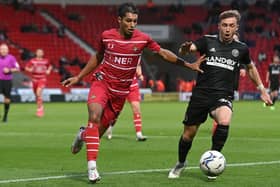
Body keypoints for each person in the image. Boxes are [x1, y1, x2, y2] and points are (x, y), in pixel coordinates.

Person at [61, 2, 205, 183]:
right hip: (102, 82)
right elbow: (98, 56)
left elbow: (162, 53)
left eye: (135, 21)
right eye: (128, 21)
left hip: (120, 92)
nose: (132, 24)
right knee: (94, 115)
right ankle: (92, 168)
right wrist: (79, 76)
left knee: (95, 134)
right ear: (119, 20)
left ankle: (82, 135)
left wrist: (188, 64)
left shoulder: (142, 38)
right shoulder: (106, 36)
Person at [168, 10, 272, 180]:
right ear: (219, 26)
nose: (227, 29)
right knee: (188, 134)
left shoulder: (241, 49)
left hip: (223, 96)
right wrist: (185, 49)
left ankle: (213, 162)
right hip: (201, 95)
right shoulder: (207, 41)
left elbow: (251, 68)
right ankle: (181, 162)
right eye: (224, 25)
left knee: (224, 119)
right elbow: (190, 48)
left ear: (236, 27)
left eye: (231, 25)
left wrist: (262, 90)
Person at [106, 64, 147, 141]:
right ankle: (109, 127)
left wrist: (140, 74)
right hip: (120, 87)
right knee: (116, 111)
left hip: (133, 87)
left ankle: (139, 134)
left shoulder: (136, 53)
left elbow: (138, 65)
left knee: (136, 109)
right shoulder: (120, 55)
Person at [25, 49, 52, 117]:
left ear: (42, 53)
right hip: (34, 80)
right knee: (37, 95)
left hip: (42, 79)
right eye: (38, 52)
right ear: (36, 53)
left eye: (41, 52)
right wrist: (30, 69)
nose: (40, 53)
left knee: (38, 93)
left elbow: (50, 66)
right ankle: (40, 106)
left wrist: (48, 70)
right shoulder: (32, 61)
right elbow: (26, 68)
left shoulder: (45, 61)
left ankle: (39, 110)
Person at [0, 43, 20, 122]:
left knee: (7, 99)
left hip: (7, 81)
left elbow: (17, 68)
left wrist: (9, 70)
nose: (3, 50)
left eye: (5, 49)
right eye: (2, 49)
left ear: (8, 50)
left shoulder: (12, 58)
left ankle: (5, 115)